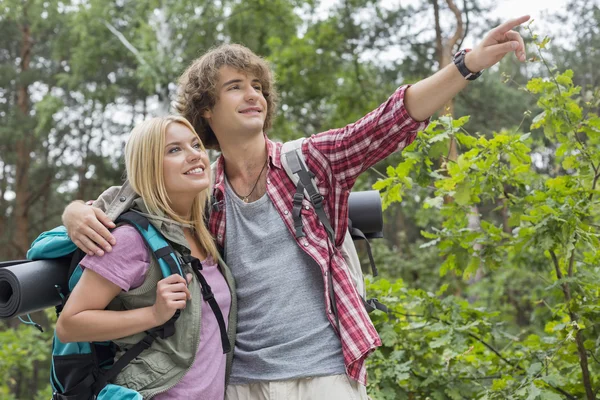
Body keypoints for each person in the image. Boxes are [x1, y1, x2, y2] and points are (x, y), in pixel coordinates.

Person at [62, 16, 530, 400]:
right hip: (240, 382)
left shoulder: (309, 162)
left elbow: (390, 120)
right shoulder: (203, 192)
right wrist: (75, 212)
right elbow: (138, 202)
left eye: (258, 86)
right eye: (235, 87)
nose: (253, 95)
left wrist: (467, 65)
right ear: (206, 109)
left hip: (324, 374)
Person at [56, 116, 236, 400]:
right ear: (149, 167)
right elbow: (69, 325)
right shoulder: (131, 240)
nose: (194, 155)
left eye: (195, 145)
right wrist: (153, 315)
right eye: (174, 150)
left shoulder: (204, 229)